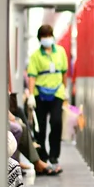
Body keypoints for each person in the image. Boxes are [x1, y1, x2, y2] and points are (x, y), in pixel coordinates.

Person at [26, 25, 68, 170]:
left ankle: (54, 156)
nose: (47, 39)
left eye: (49, 35)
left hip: (57, 93)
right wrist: (31, 94)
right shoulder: (35, 56)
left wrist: (65, 89)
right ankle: (42, 157)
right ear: (40, 39)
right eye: (44, 36)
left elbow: (64, 73)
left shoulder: (61, 52)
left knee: (56, 123)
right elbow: (32, 76)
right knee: (41, 128)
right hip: (40, 94)